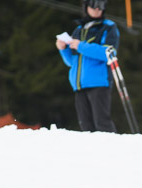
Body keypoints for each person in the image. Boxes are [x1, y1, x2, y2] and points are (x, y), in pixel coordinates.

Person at [56, 0, 119, 132]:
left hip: (98, 82)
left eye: (100, 6)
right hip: (79, 85)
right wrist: (63, 49)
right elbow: (71, 62)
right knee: (85, 126)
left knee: (102, 123)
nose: (97, 9)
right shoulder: (79, 30)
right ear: (86, 7)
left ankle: (112, 149)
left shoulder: (108, 27)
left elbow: (109, 53)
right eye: (93, 5)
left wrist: (81, 46)